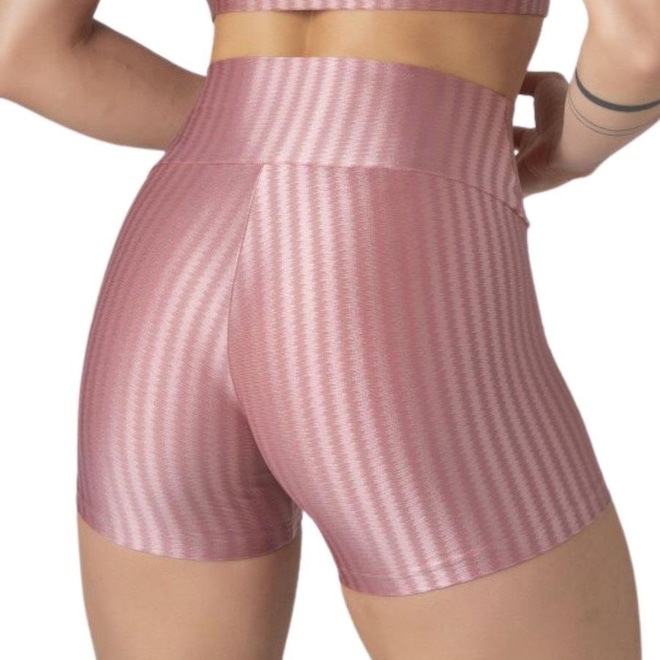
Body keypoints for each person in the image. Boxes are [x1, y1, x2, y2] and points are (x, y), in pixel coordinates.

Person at [1, 0, 657, 657]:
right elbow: (641, 46)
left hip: (175, 262)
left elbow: (22, 48)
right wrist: (567, 151)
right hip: (386, 259)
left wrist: (276, 121)